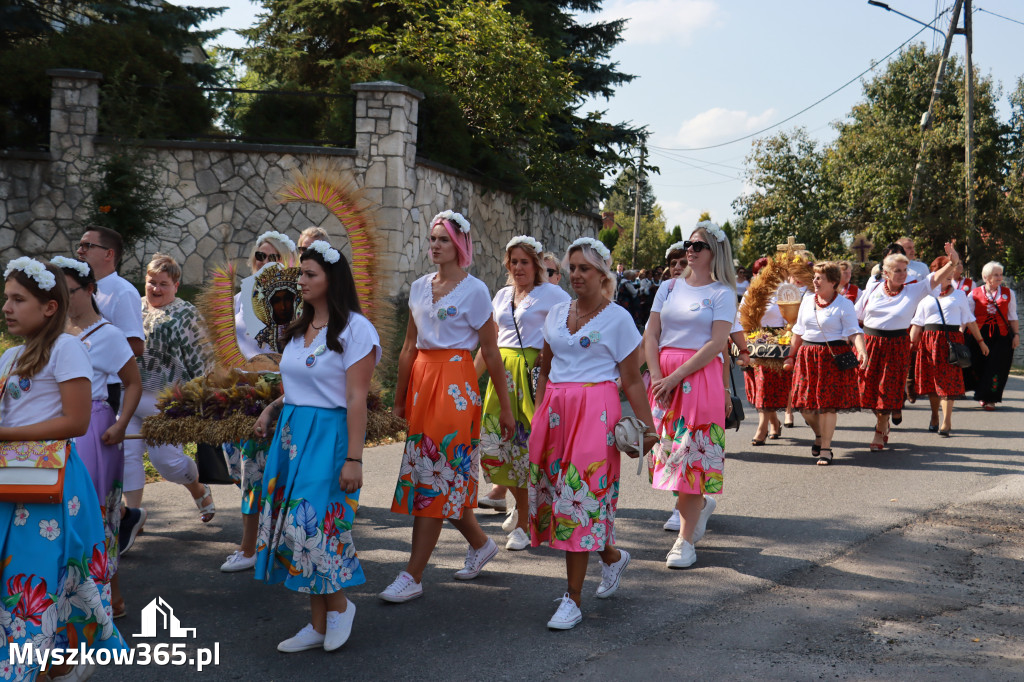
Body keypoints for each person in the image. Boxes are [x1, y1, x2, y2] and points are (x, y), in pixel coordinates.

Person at [1, 257, 126, 680]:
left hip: (50, 485)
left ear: (50, 307)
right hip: (11, 483)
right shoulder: (11, 356)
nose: (7, 308)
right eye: (6, 299)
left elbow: (76, 421)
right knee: (17, 575)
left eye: (19, 299)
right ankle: (52, 668)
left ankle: (48, 666)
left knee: (39, 575)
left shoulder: (66, 347)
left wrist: (5, 435)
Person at [380, 210, 514, 603]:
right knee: (439, 474)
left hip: (456, 384)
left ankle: (413, 574)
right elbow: (407, 347)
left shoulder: (474, 291)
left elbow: (491, 352)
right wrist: (399, 398)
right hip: (422, 381)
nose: (434, 245)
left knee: (435, 475)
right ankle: (480, 543)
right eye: (432, 239)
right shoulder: (419, 286)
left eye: (442, 239)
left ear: (458, 245)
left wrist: (504, 409)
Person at [251, 240, 379, 653]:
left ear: (332, 280)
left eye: (310, 274)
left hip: (330, 436)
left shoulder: (357, 330)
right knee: (295, 528)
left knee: (311, 526)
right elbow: (299, 387)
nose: (301, 280)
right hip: (291, 436)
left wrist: (354, 459)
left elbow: (355, 398)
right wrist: (270, 410)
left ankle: (340, 607)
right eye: (301, 273)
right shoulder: (297, 328)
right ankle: (318, 623)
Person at [529, 237, 657, 630]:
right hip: (555, 415)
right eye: (572, 267)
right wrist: (537, 413)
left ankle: (573, 598)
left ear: (603, 274)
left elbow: (632, 381)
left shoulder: (617, 318)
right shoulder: (554, 313)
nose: (576, 274)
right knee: (563, 498)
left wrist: (649, 430)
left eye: (585, 268)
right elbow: (546, 368)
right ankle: (613, 559)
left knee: (578, 496)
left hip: (595, 415)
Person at [54, 255, 142, 619]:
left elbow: (133, 382)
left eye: (69, 291)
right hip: (55, 427)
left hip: (94, 427)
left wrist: (121, 424)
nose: (63, 298)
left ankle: (106, 600)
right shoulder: (54, 332)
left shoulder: (108, 334)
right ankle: (84, 601)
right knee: (62, 517)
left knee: (94, 515)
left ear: (90, 290)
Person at [644, 221, 736, 569]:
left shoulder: (722, 292)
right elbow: (651, 333)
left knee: (691, 456)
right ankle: (698, 507)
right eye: (689, 244)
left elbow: (716, 343)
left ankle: (685, 540)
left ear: (715, 252)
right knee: (667, 453)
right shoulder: (668, 287)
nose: (690, 250)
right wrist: (655, 376)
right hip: (663, 377)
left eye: (699, 246)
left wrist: (676, 375)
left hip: (698, 378)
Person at [475, 236, 569, 551]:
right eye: (513, 262)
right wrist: (468, 380)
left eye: (524, 262)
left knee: (527, 452)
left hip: (531, 378)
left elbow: (569, 330)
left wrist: (551, 353)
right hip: (501, 376)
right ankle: (524, 511)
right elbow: (489, 342)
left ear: (537, 264)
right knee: (494, 448)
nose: (518, 267)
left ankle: (526, 520)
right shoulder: (501, 296)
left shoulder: (552, 294)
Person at [221, 230, 298, 573]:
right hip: (242, 389)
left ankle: (253, 547)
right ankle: (266, 542)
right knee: (242, 470)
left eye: (274, 257)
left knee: (263, 472)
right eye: (260, 257)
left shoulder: (296, 299)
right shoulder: (240, 298)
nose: (265, 263)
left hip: (281, 390)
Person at [122, 254, 215, 522]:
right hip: (130, 394)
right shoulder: (133, 308)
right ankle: (133, 517)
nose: (156, 289)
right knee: (128, 455)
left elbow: (204, 359)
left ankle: (198, 488)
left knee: (167, 463)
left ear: (176, 284)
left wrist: (203, 400)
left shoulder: (187, 315)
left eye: (163, 283)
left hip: (167, 401)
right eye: (151, 282)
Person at [855, 242, 961, 451]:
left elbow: (936, 278)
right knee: (867, 389)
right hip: (870, 343)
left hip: (896, 345)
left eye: (904, 270)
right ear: (885, 273)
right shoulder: (873, 287)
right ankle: (881, 419)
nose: (903, 274)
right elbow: (856, 316)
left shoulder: (913, 289)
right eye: (897, 271)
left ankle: (880, 427)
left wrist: (952, 262)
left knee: (888, 387)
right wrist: (858, 345)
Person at [783, 262, 868, 465]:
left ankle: (826, 449)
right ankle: (820, 434)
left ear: (833, 281)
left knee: (827, 406)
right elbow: (798, 330)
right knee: (803, 405)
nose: (815, 281)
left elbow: (854, 331)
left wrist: (862, 350)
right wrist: (790, 355)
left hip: (832, 357)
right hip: (807, 356)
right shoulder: (807, 300)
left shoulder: (844, 303)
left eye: (819, 278)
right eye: (814, 277)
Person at [910, 257, 988, 436]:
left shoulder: (960, 295)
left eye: (949, 276)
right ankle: (934, 416)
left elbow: (970, 320)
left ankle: (946, 421)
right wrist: (910, 345)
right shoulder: (925, 295)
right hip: (928, 342)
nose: (947, 280)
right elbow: (917, 322)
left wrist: (981, 342)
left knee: (948, 382)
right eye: (943, 276)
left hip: (951, 341)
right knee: (932, 383)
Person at [964, 261, 1019, 410]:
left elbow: (1012, 316)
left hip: (1001, 336)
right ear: (986, 277)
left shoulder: (1009, 294)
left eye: (1001, 274)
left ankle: (990, 399)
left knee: (997, 367)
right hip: (978, 334)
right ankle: (981, 393)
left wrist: (1016, 335)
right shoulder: (973, 294)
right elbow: (968, 317)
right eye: (996, 275)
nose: (1000, 277)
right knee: (977, 364)